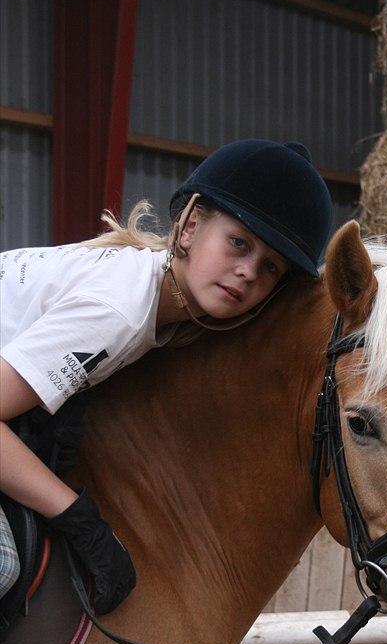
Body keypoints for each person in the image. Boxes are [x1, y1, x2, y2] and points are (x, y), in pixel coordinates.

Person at [0, 139, 333, 616]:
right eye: (239, 243)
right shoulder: (119, 310)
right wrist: (78, 518)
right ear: (192, 225)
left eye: (269, 268)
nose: (246, 273)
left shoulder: (161, 306)